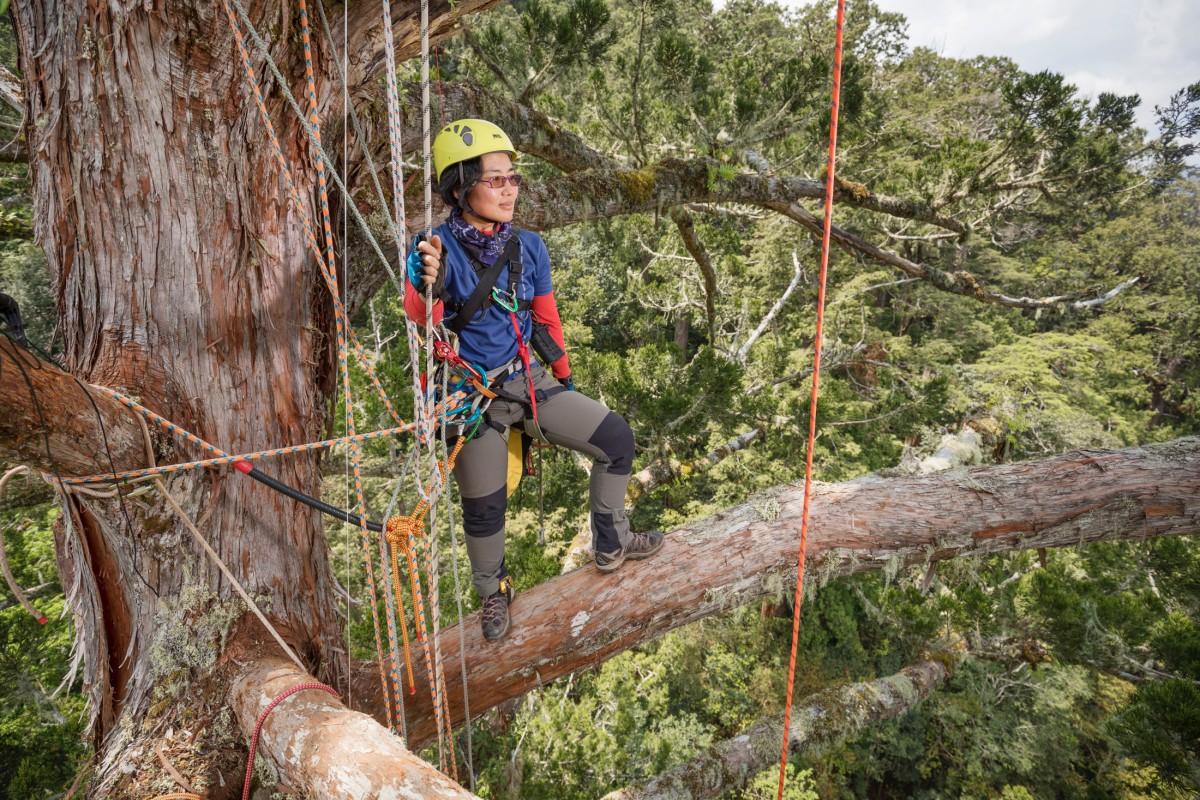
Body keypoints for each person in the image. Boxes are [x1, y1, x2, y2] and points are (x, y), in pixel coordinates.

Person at [405, 119, 663, 642]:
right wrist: (420, 278)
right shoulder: (436, 247)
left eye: (512, 179)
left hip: (528, 379)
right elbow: (421, 317)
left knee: (615, 439)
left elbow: (547, 317)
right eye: (494, 179)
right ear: (460, 188)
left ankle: (612, 543)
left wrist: (563, 380)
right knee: (484, 508)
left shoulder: (528, 247)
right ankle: (493, 594)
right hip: (468, 394)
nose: (508, 189)